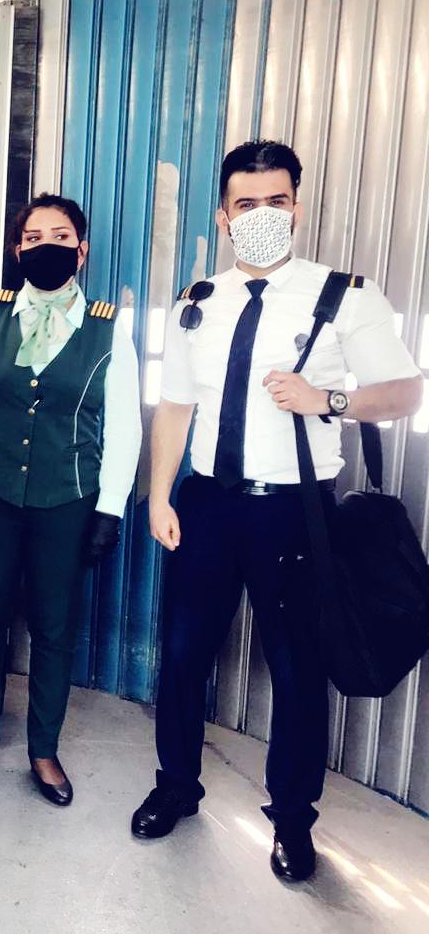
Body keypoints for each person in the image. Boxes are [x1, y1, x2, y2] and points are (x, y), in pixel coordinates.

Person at [131, 140, 422, 881]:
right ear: (223, 217)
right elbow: (176, 405)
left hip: (293, 511)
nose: (261, 215)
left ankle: (293, 821)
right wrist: (160, 494)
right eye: (246, 204)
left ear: (296, 207)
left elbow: (404, 392)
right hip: (205, 504)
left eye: (276, 201)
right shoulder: (199, 301)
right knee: (183, 656)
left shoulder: (344, 296)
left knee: (296, 671)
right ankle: (176, 786)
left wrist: (328, 398)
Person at [0, 194, 142, 804]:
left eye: (60, 236)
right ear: (17, 250)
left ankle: (44, 750)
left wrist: (110, 507)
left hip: (68, 497)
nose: (45, 246)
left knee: (54, 627)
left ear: (81, 251)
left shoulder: (109, 327)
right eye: (33, 237)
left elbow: (126, 424)